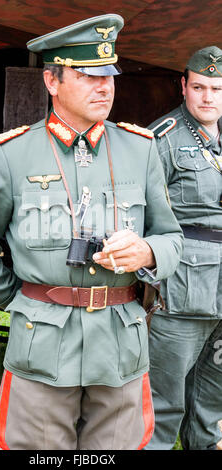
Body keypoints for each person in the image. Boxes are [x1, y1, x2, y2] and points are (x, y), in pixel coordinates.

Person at [0, 14, 183, 450]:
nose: (104, 87)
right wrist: (28, 304)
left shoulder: (140, 148)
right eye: (87, 75)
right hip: (41, 346)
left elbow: (172, 238)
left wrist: (147, 252)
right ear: (52, 81)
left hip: (120, 345)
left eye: (109, 75)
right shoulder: (13, 154)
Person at [145, 46, 222, 450]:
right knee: (163, 403)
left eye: (216, 88)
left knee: (212, 403)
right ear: (184, 87)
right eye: (199, 87)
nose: (208, 97)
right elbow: (139, 216)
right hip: (182, 291)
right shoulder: (161, 139)